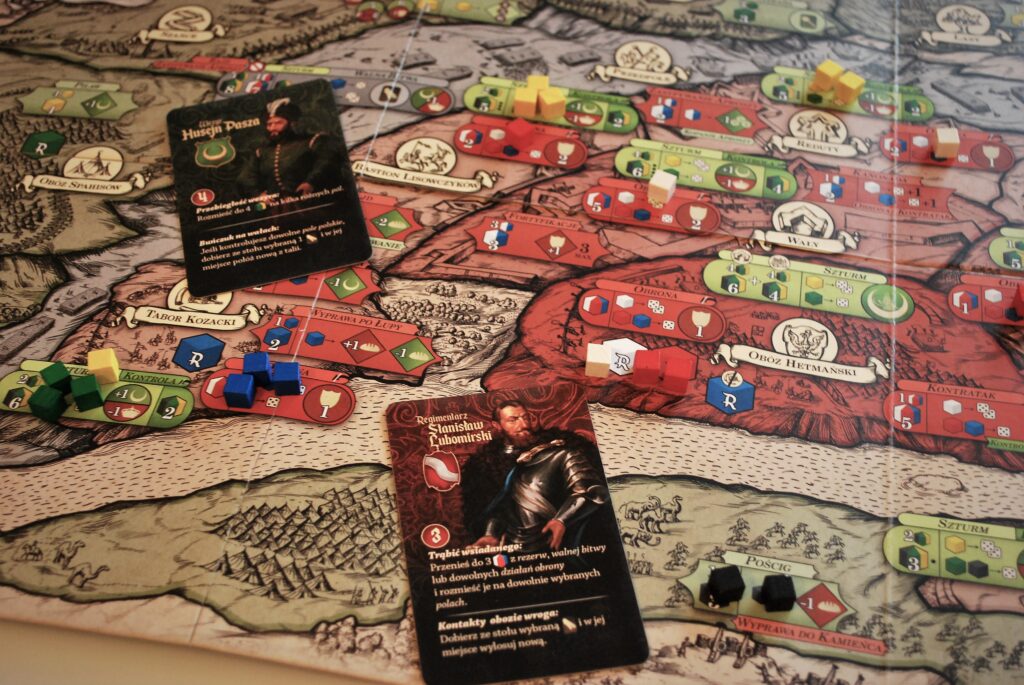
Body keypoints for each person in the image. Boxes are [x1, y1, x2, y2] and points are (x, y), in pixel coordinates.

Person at [462, 400, 608, 553]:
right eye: (513, 420)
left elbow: (591, 491)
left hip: (559, 543)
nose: (524, 424)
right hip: (511, 548)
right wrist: (490, 534)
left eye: (525, 418)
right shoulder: (486, 465)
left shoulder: (559, 453)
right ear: (497, 425)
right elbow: (498, 509)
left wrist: (561, 520)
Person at [240, 97, 342, 199]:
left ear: (291, 123)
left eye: (278, 123)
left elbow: (327, 162)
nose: (272, 128)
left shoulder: (313, 141)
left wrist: (310, 182)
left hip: (313, 200)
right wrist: (259, 194)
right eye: (269, 124)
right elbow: (245, 177)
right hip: (277, 205)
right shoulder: (261, 152)